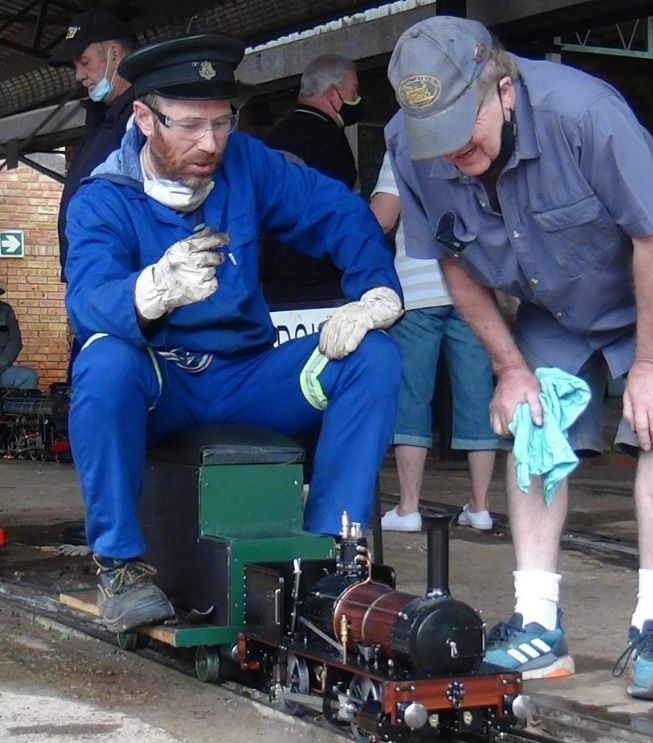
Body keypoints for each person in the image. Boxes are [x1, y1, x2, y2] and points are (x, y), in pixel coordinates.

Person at [385, 16, 653, 701]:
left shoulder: (585, 115)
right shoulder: (409, 141)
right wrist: (510, 368)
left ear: (503, 91)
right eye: (436, 140)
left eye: (463, 130)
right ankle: (538, 622)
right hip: (554, 293)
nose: (451, 153)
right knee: (534, 428)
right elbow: (453, 259)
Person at [64, 33, 403, 634]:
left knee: (371, 357)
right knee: (103, 364)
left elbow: (337, 211)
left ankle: (332, 558)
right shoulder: (101, 197)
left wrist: (376, 289)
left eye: (222, 124)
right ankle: (119, 566)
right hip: (162, 378)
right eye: (191, 126)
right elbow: (87, 303)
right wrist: (149, 290)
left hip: (248, 375)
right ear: (143, 118)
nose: (210, 144)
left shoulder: (246, 161)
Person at [370, 151, 501, 532]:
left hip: (417, 287)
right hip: (475, 286)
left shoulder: (401, 144)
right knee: (478, 393)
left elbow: (383, 217)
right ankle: (480, 506)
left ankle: (408, 508)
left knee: (413, 395)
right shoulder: (473, 141)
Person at [260, 54, 363, 304]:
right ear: (333, 94)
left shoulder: (271, 139)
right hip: (320, 282)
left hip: (272, 281)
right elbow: (340, 213)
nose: (358, 100)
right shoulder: (330, 139)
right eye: (354, 91)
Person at [49, 8, 137, 281]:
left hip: (120, 279)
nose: (79, 75)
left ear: (115, 54)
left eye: (84, 62)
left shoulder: (140, 117)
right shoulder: (102, 117)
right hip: (91, 275)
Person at [0, 289, 39, 390]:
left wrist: (2, 363)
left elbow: (15, 341)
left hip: (2, 368)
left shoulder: (5, 310)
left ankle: (14, 406)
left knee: (28, 376)